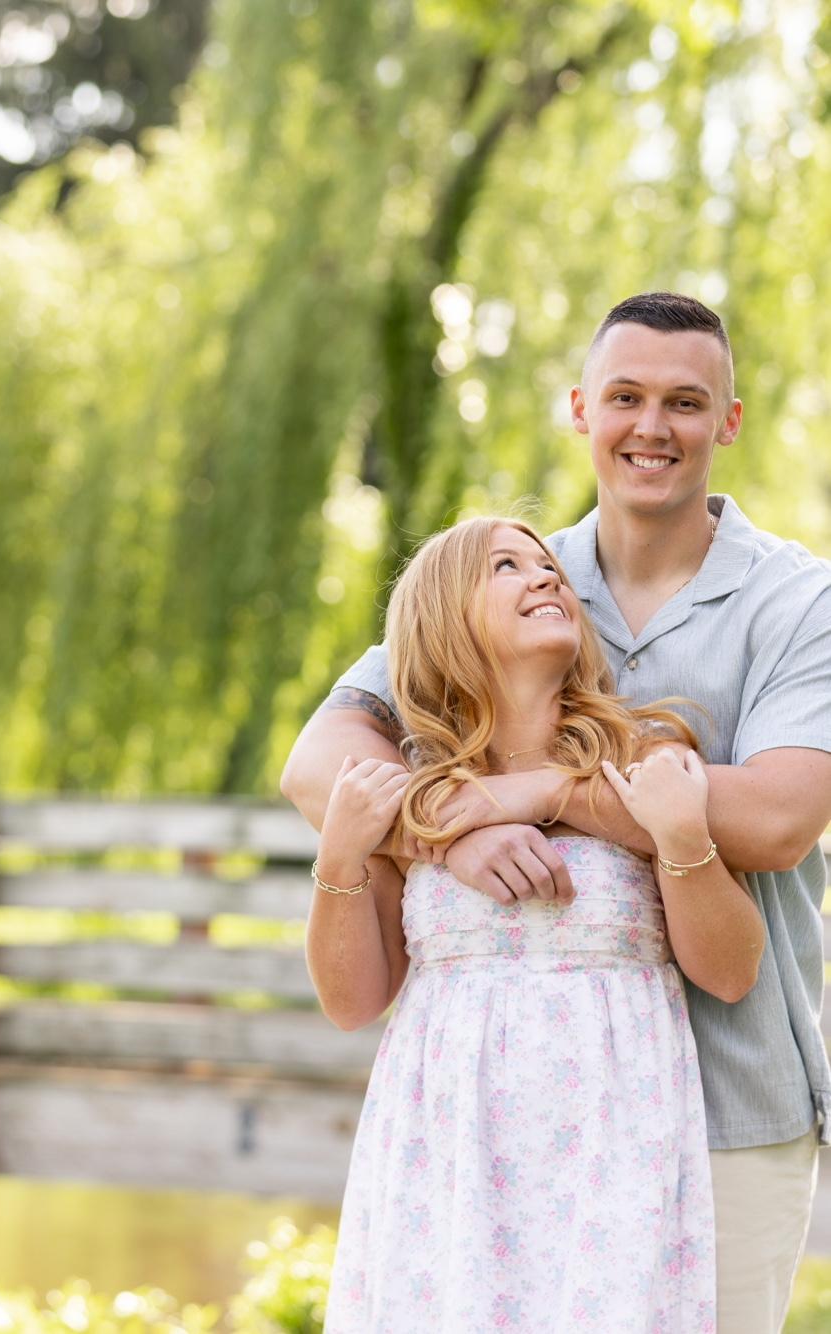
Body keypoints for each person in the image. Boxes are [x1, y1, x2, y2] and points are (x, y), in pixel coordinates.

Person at [283, 292, 831, 1333]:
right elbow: (319, 762)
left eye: (684, 402)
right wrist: (460, 828)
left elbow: (772, 824)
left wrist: (554, 790)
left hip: (729, 1099)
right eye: (624, 397)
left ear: (727, 420)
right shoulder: (511, 573)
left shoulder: (801, 602)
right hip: (480, 1127)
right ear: (581, 409)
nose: (650, 426)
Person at [309, 516, 763, 1331]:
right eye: (506, 567)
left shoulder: (641, 759)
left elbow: (730, 973)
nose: (547, 576)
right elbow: (352, 1003)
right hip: (445, 1148)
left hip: (613, 1147)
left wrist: (682, 838)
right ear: (443, 617)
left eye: (549, 565)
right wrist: (341, 855)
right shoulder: (415, 790)